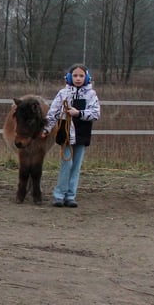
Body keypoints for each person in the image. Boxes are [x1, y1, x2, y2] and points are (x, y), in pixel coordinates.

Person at [42, 63, 100, 208]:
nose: (78, 78)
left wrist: (79, 113)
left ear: (87, 78)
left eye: (81, 76)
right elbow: (53, 113)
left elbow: (95, 113)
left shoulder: (91, 95)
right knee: (66, 165)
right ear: (69, 77)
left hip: (82, 134)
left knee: (76, 166)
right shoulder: (63, 94)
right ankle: (59, 195)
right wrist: (46, 129)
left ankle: (70, 196)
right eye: (75, 75)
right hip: (66, 133)